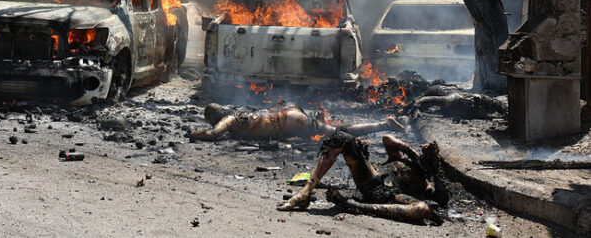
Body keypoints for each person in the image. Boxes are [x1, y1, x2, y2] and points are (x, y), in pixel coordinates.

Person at [277, 131, 448, 224]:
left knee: (422, 209)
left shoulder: (427, 185)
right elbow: (388, 139)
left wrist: (435, 163)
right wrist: (413, 153)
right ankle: (304, 193)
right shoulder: (402, 158)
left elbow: (442, 198)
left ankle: (356, 206)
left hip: (383, 192)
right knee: (341, 139)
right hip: (372, 174)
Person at [189, 103, 403, 141]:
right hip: (287, 119)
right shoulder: (236, 115)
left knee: (337, 133)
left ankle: (383, 125)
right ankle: (382, 125)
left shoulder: (228, 119)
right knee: (334, 133)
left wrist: (193, 133)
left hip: (289, 120)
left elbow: (212, 135)